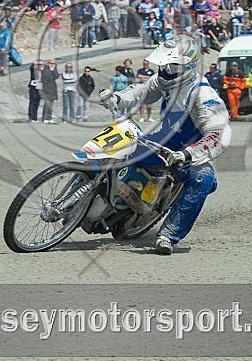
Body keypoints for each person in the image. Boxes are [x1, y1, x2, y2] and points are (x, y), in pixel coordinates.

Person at [98, 35, 231, 255]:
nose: (166, 70)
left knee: (204, 179)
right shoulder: (165, 80)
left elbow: (218, 133)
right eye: (164, 65)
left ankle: (169, 234)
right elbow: (143, 91)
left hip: (188, 152)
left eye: (172, 66)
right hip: (162, 140)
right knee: (118, 147)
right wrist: (118, 99)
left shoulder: (203, 94)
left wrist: (187, 154)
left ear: (188, 66)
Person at [40, 59, 60, 123]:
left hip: (53, 89)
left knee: (51, 105)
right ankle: (44, 118)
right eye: (51, 63)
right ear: (48, 63)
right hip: (46, 89)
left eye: (54, 63)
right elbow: (45, 77)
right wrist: (50, 70)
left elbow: (56, 76)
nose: (52, 64)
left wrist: (53, 70)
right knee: (47, 104)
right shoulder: (45, 69)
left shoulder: (54, 69)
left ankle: (49, 117)